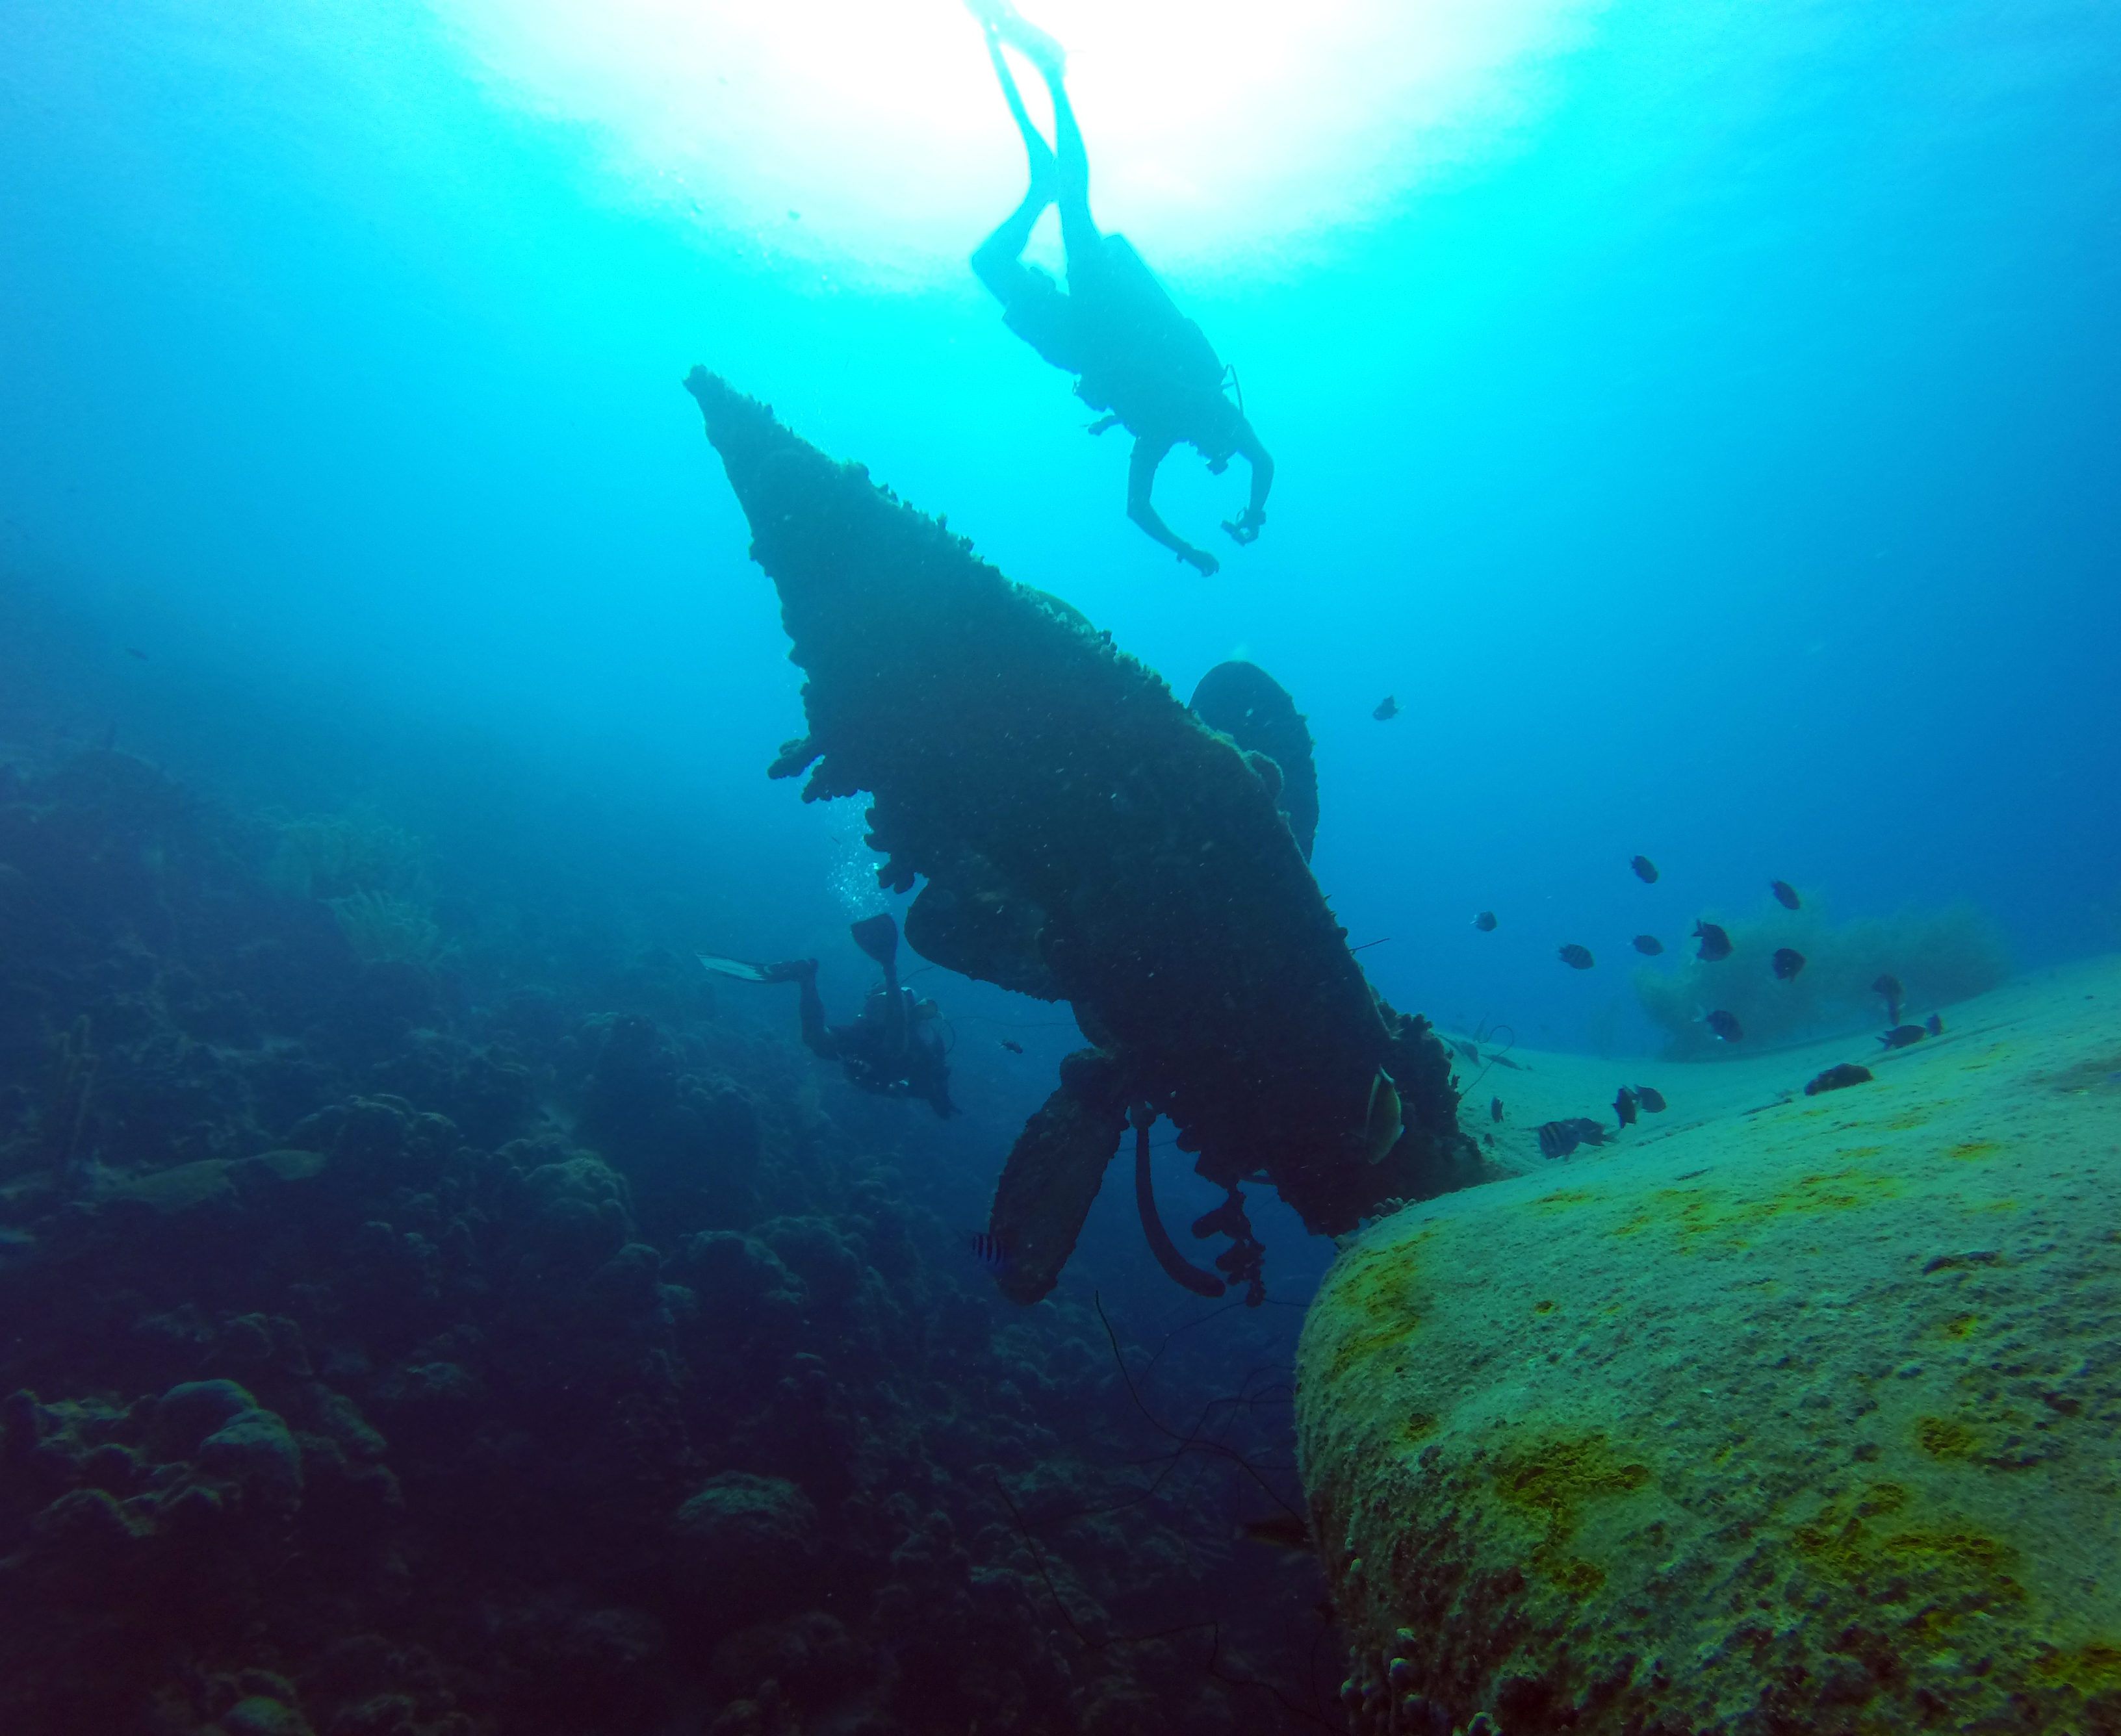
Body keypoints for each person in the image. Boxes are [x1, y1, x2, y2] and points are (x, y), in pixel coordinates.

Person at [968, 1, 1273, 577]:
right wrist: (1238, 521)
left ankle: (1039, 187)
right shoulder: (1204, 401)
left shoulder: (1165, 429)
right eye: (1221, 448)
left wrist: (1196, 548)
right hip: (1110, 316)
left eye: (1215, 451)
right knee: (1075, 207)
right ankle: (1055, 81)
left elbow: (1140, 507)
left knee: (994, 259)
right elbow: (1261, 463)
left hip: (1079, 342)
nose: (1214, 452)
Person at [701, 915, 955, 1117]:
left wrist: (864, 1074)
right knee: (889, 1048)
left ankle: (807, 980)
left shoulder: (921, 1073)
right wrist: (889, 969)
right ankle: (873, 972)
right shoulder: (925, 1071)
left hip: (873, 1034)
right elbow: (898, 1051)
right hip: (886, 1035)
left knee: (818, 1041)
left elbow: (886, 1068)